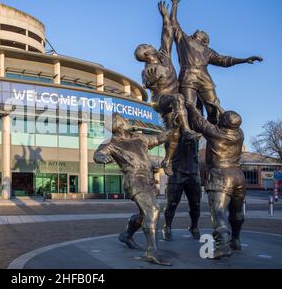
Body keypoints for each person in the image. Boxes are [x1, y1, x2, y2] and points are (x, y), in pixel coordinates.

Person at [170, 0, 263, 125]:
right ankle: (189, 136)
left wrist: (244, 59)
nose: (199, 30)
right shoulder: (184, 40)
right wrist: (175, 4)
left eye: (202, 32)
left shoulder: (208, 51)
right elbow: (174, 24)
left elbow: (224, 60)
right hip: (188, 77)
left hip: (205, 79)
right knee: (188, 107)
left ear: (205, 40)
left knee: (214, 110)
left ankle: (215, 135)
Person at [93, 113, 172, 266]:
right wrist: (101, 158)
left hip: (148, 179)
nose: (128, 121)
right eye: (124, 120)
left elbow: (158, 139)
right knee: (153, 211)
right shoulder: (111, 143)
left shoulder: (139, 138)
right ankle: (151, 251)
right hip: (134, 179)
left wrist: (173, 129)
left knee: (144, 214)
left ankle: (126, 235)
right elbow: (98, 154)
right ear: (117, 125)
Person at [135, 1, 198, 176]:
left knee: (174, 132)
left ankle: (167, 160)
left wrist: (166, 15)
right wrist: (154, 79)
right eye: (147, 46)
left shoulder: (164, 56)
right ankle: (187, 131)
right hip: (160, 101)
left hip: (172, 101)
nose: (150, 44)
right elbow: (148, 85)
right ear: (146, 54)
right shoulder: (146, 70)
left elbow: (167, 34)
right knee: (178, 98)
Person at [186, 104, 246, 259]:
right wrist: (218, 106)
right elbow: (228, 120)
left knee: (218, 211)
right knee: (237, 211)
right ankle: (236, 240)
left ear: (223, 122)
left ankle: (223, 245)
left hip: (221, 175)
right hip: (238, 175)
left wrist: (191, 107)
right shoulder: (239, 133)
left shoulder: (215, 133)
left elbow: (199, 121)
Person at [162, 136, 202, 241]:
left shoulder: (194, 130)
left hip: (193, 173)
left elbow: (209, 122)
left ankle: (194, 227)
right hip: (176, 172)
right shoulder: (173, 132)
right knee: (171, 204)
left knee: (196, 204)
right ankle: (167, 227)